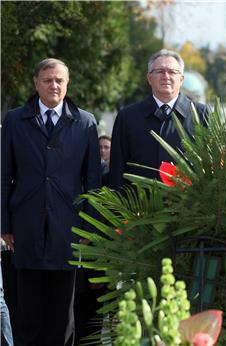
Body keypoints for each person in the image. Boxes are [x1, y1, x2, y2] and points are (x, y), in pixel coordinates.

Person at [1, 58, 101, 345]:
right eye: (47, 80)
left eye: (59, 80)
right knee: (27, 314)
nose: (54, 85)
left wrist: (88, 228)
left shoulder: (84, 122)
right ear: (36, 83)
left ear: (67, 84)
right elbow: (3, 175)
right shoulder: (15, 120)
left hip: (68, 230)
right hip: (24, 229)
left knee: (62, 317)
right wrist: (4, 224)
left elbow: (92, 182)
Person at [109, 49, 208, 189]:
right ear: (149, 78)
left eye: (172, 72)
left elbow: (212, 167)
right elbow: (117, 169)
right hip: (140, 206)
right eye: (160, 71)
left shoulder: (201, 114)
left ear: (181, 79)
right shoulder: (128, 116)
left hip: (188, 207)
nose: (166, 76)